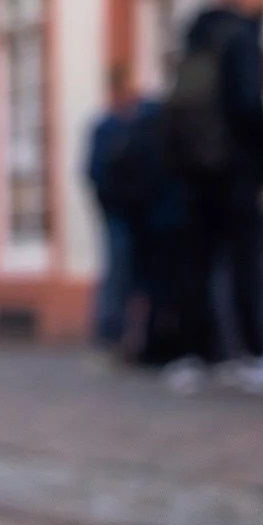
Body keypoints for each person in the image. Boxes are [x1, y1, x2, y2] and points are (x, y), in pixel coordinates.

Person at [157, 0, 263, 394]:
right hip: (234, 166)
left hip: (192, 167)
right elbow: (247, 104)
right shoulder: (241, 35)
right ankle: (253, 353)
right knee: (246, 259)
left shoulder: (197, 36)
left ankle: (196, 353)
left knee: (197, 261)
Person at [85, 64, 161, 355]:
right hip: (119, 212)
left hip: (141, 211)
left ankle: (137, 334)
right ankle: (110, 331)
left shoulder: (141, 121)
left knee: (138, 273)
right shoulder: (106, 127)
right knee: (117, 271)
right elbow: (95, 172)